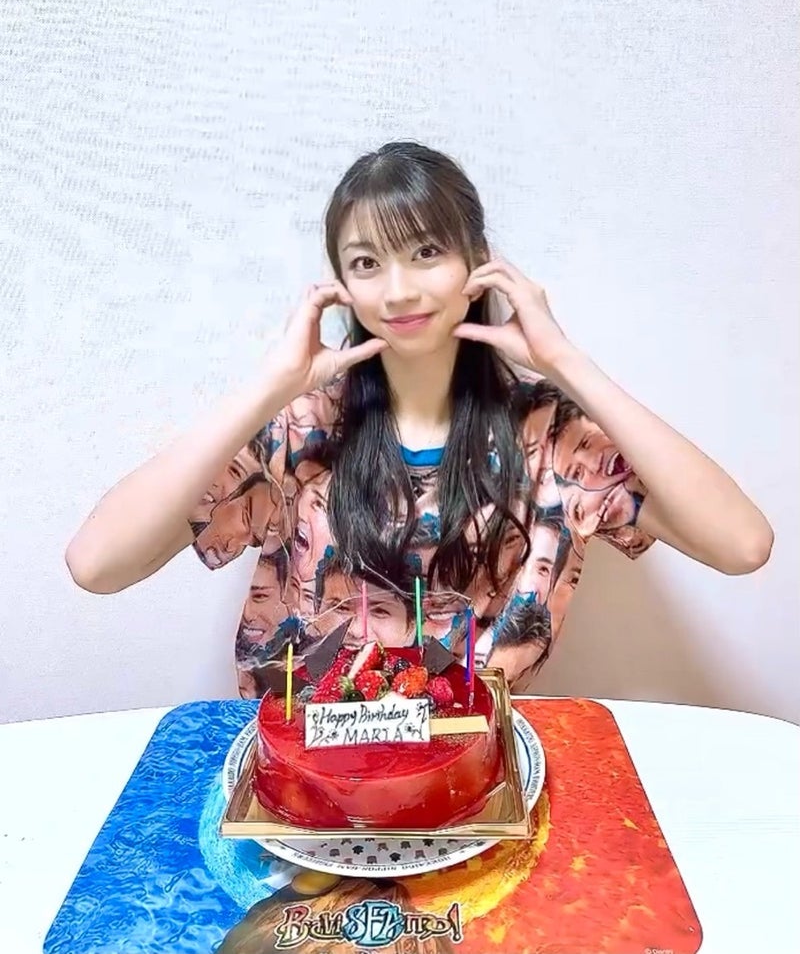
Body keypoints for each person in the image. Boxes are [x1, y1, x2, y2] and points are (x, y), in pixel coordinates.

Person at [65, 141, 774, 695]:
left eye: (426, 252)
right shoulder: (306, 426)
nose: (399, 290)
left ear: (477, 263)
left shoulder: (547, 436)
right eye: (367, 263)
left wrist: (564, 361)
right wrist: (268, 387)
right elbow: (96, 564)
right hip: (308, 788)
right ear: (342, 285)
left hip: (469, 784)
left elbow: (742, 543)